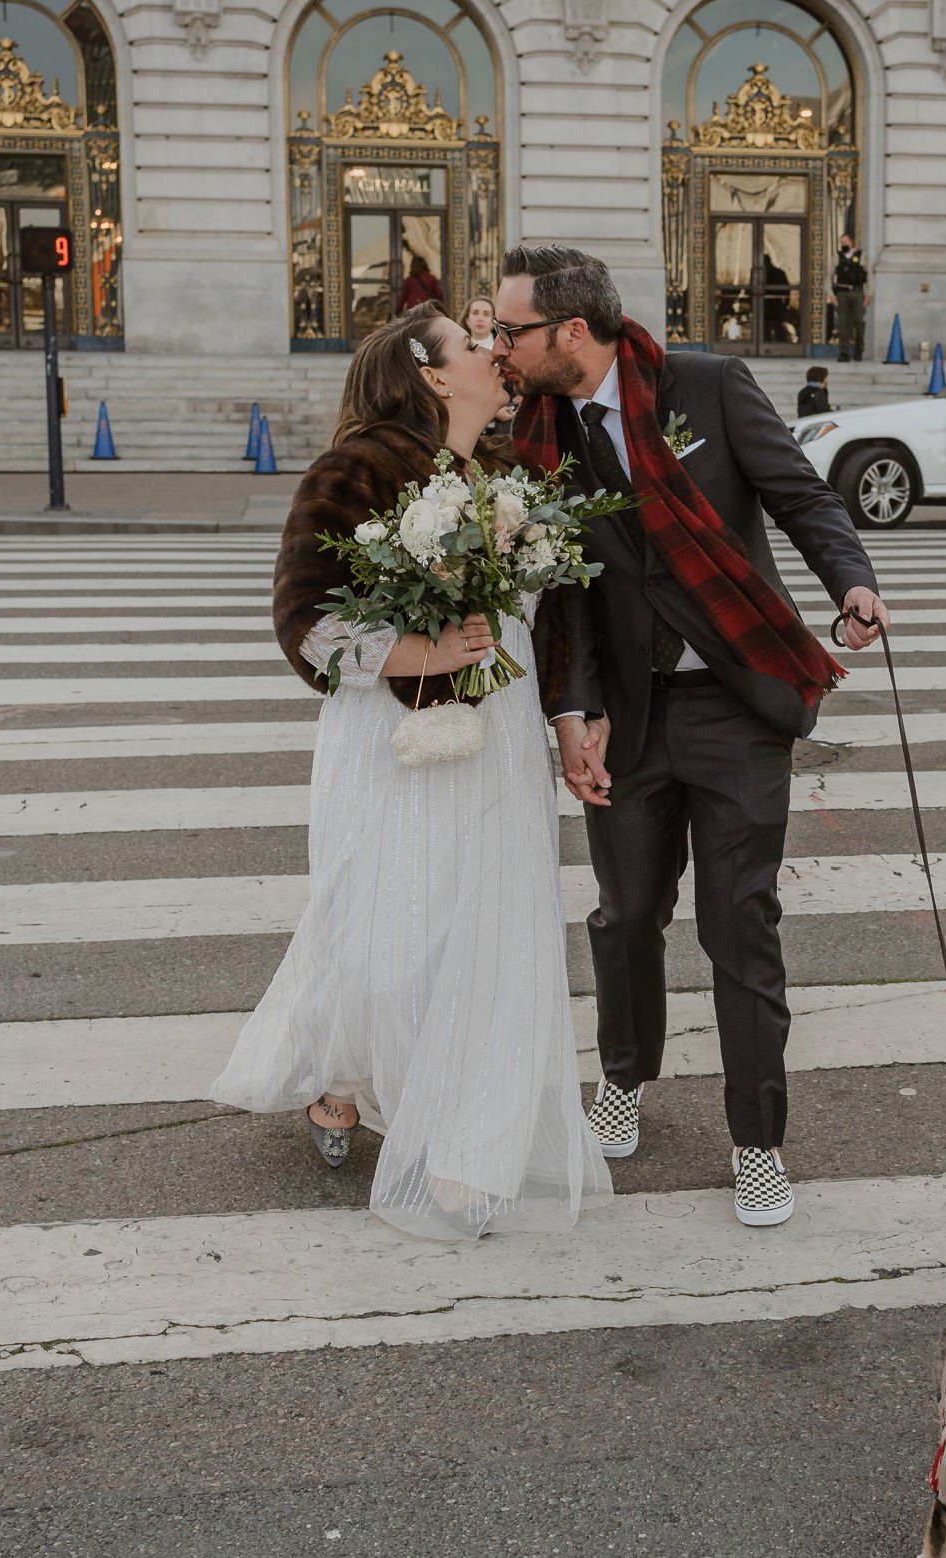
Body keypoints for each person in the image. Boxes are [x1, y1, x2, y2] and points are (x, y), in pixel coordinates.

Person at [492, 244, 888, 1229]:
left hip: (733, 701)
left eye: (512, 331)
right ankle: (624, 1075)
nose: (500, 346)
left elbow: (799, 495)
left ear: (570, 333)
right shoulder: (541, 431)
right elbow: (566, 596)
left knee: (737, 928)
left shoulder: (706, 388)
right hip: (626, 714)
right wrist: (570, 714)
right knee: (623, 917)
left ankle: (757, 1144)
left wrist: (852, 580)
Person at [209, 306, 608, 1240]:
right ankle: (345, 1069)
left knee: (494, 929)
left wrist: (566, 719)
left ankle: (466, 1147)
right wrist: (412, 651)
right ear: (431, 374)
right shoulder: (356, 468)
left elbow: (553, 622)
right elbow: (303, 620)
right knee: (392, 922)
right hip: (397, 742)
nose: (492, 355)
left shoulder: (513, 475)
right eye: (472, 347)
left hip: (499, 728)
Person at [829, 234, 868, 362]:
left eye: (845, 242)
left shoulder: (861, 256)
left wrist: (869, 294)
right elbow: (828, 277)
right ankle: (844, 352)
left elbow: (869, 276)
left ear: (851, 242)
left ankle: (858, 350)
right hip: (842, 293)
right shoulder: (837, 257)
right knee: (843, 323)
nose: (843, 244)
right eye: (842, 242)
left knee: (859, 322)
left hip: (857, 292)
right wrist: (830, 294)